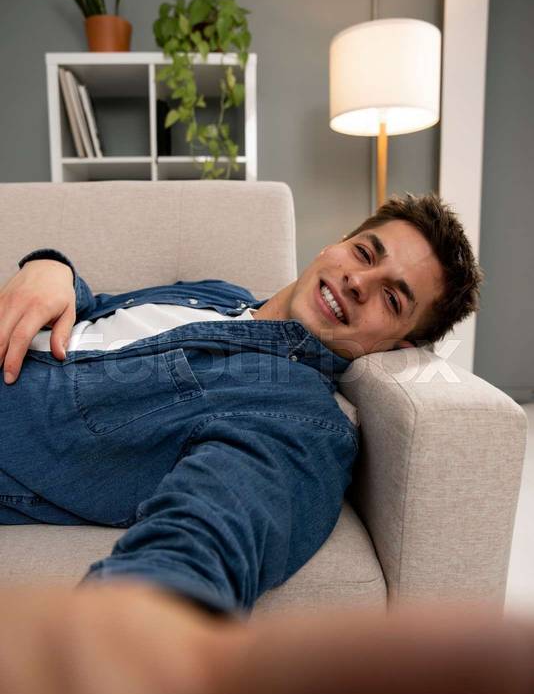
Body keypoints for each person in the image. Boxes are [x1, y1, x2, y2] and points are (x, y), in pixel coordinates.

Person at [0, 191, 482, 616]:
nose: (360, 281)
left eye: (393, 300)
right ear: (334, 244)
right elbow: (99, 313)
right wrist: (53, 269)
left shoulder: (298, 419)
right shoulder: (217, 295)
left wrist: (130, 632)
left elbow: (205, 543)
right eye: (363, 253)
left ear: (395, 348)